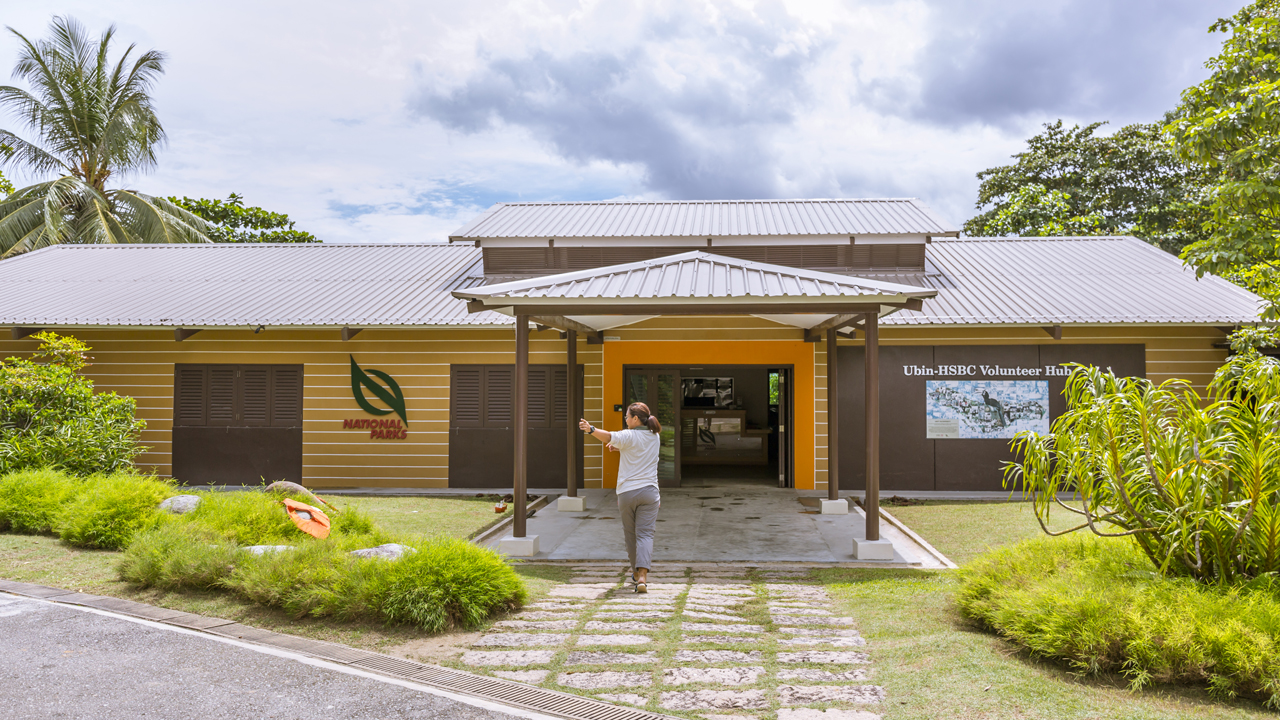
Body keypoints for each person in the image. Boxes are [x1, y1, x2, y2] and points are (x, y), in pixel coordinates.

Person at [579, 403, 662, 593]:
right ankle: (642, 577)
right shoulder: (654, 436)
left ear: (635, 418)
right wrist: (620, 449)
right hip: (650, 493)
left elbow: (608, 436)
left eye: (627, 416)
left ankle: (635, 572)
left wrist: (591, 429)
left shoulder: (628, 435)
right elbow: (639, 450)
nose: (625, 419)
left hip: (627, 493)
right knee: (646, 534)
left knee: (631, 535)